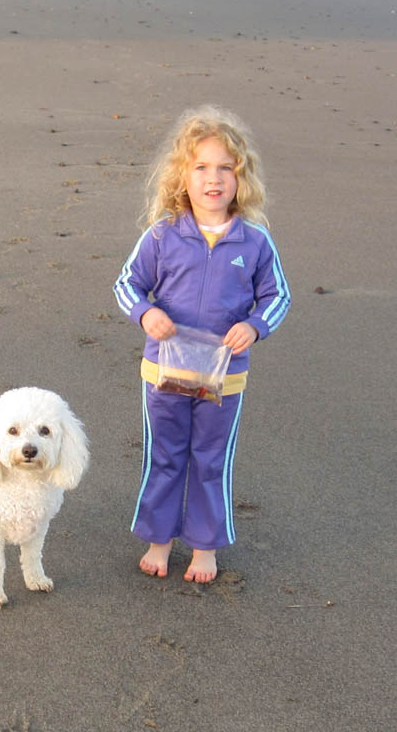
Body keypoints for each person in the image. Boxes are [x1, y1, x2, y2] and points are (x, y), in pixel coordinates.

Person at [113, 106, 290, 583]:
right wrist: (147, 313)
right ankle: (159, 539)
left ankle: (205, 547)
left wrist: (254, 326)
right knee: (165, 455)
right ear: (182, 176)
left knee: (210, 460)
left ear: (240, 178)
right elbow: (126, 286)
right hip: (165, 374)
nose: (214, 179)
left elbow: (278, 296)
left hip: (224, 378)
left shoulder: (254, 242)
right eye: (201, 167)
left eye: (225, 168)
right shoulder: (162, 235)